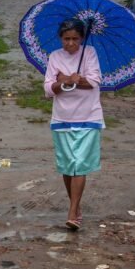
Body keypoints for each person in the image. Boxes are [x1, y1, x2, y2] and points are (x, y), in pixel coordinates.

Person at [44, 19, 103, 231]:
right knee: (68, 166)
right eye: (66, 39)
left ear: (82, 38)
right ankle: (75, 207)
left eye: (75, 39)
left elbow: (94, 82)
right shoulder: (54, 57)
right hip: (62, 118)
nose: (70, 43)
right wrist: (67, 80)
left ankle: (72, 211)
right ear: (60, 38)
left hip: (89, 116)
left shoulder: (90, 53)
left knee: (79, 163)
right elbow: (49, 89)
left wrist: (70, 80)